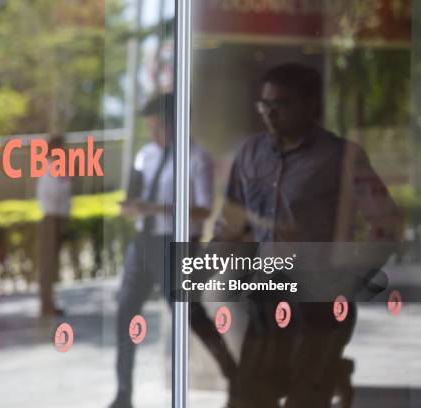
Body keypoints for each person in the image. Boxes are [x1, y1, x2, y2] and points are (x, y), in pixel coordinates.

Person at [212, 63, 402, 407]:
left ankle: (331, 372)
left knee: (305, 399)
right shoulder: (251, 154)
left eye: (281, 104)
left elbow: (386, 224)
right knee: (250, 398)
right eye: (264, 104)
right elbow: (232, 218)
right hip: (267, 297)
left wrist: (351, 277)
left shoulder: (340, 157)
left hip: (320, 302)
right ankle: (336, 373)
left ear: (310, 104)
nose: (270, 113)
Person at [110, 93, 236, 408]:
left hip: (176, 245)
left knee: (192, 316)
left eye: (159, 128)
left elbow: (204, 210)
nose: (153, 135)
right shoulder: (145, 155)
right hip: (142, 245)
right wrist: (132, 207)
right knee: (126, 314)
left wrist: (156, 208)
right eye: (150, 128)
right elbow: (133, 199)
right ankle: (123, 393)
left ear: (177, 124)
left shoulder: (196, 157)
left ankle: (235, 376)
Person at [37, 134, 71, 317]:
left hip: (56, 219)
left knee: (51, 265)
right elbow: (54, 195)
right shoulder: (52, 169)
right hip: (51, 219)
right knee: (48, 266)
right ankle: (46, 305)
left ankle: (49, 303)